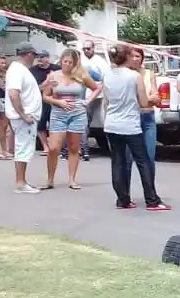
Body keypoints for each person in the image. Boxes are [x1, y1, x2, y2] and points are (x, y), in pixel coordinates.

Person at [102, 44, 168, 211]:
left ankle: (122, 199)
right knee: (143, 161)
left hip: (111, 123)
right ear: (126, 58)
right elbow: (144, 102)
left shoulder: (107, 76)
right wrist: (154, 99)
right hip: (130, 124)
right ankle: (151, 200)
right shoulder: (134, 76)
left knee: (118, 161)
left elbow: (107, 101)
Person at [41, 48, 99, 190]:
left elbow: (97, 88)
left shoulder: (81, 75)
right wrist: (58, 102)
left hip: (77, 114)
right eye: (64, 61)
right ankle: (50, 179)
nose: (67, 64)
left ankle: (72, 179)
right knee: (54, 148)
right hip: (58, 114)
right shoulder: (53, 76)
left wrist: (87, 101)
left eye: (70, 62)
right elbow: (45, 96)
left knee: (74, 147)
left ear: (74, 63)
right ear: (61, 61)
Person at [4, 43, 46, 194]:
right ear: (28, 54)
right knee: (23, 148)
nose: (35, 59)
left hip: (27, 116)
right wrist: (23, 115)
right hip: (23, 117)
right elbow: (14, 94)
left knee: (25, 148)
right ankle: (20, 182)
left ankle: (22, 180)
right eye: (34, 55)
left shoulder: (21, 71)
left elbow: (27, 92)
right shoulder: (17, 70)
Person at [124, 46, 159, 177]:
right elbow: (129, 98)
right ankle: (124, 194)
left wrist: (146, 99)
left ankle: (151, 193)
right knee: (127, 159)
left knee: (149, 157)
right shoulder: (125, 74)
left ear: (142, 58)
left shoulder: (149, 74)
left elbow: (156, 97)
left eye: (137, 56)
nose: (134, 59)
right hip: (130, 118)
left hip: (148, 118)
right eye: (132, 56)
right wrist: (147, 99)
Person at [30, 50, 59, 155]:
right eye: (38, 57)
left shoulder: (56, 68)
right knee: (41, 123)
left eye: (42, 57)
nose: (39, 59)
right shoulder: (33, 70)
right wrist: (46, 84)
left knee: (55, 124)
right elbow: (33, 88)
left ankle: (54, 146)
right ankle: (45, 146)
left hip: (54, 100)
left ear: (48, 58)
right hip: (40, 100)